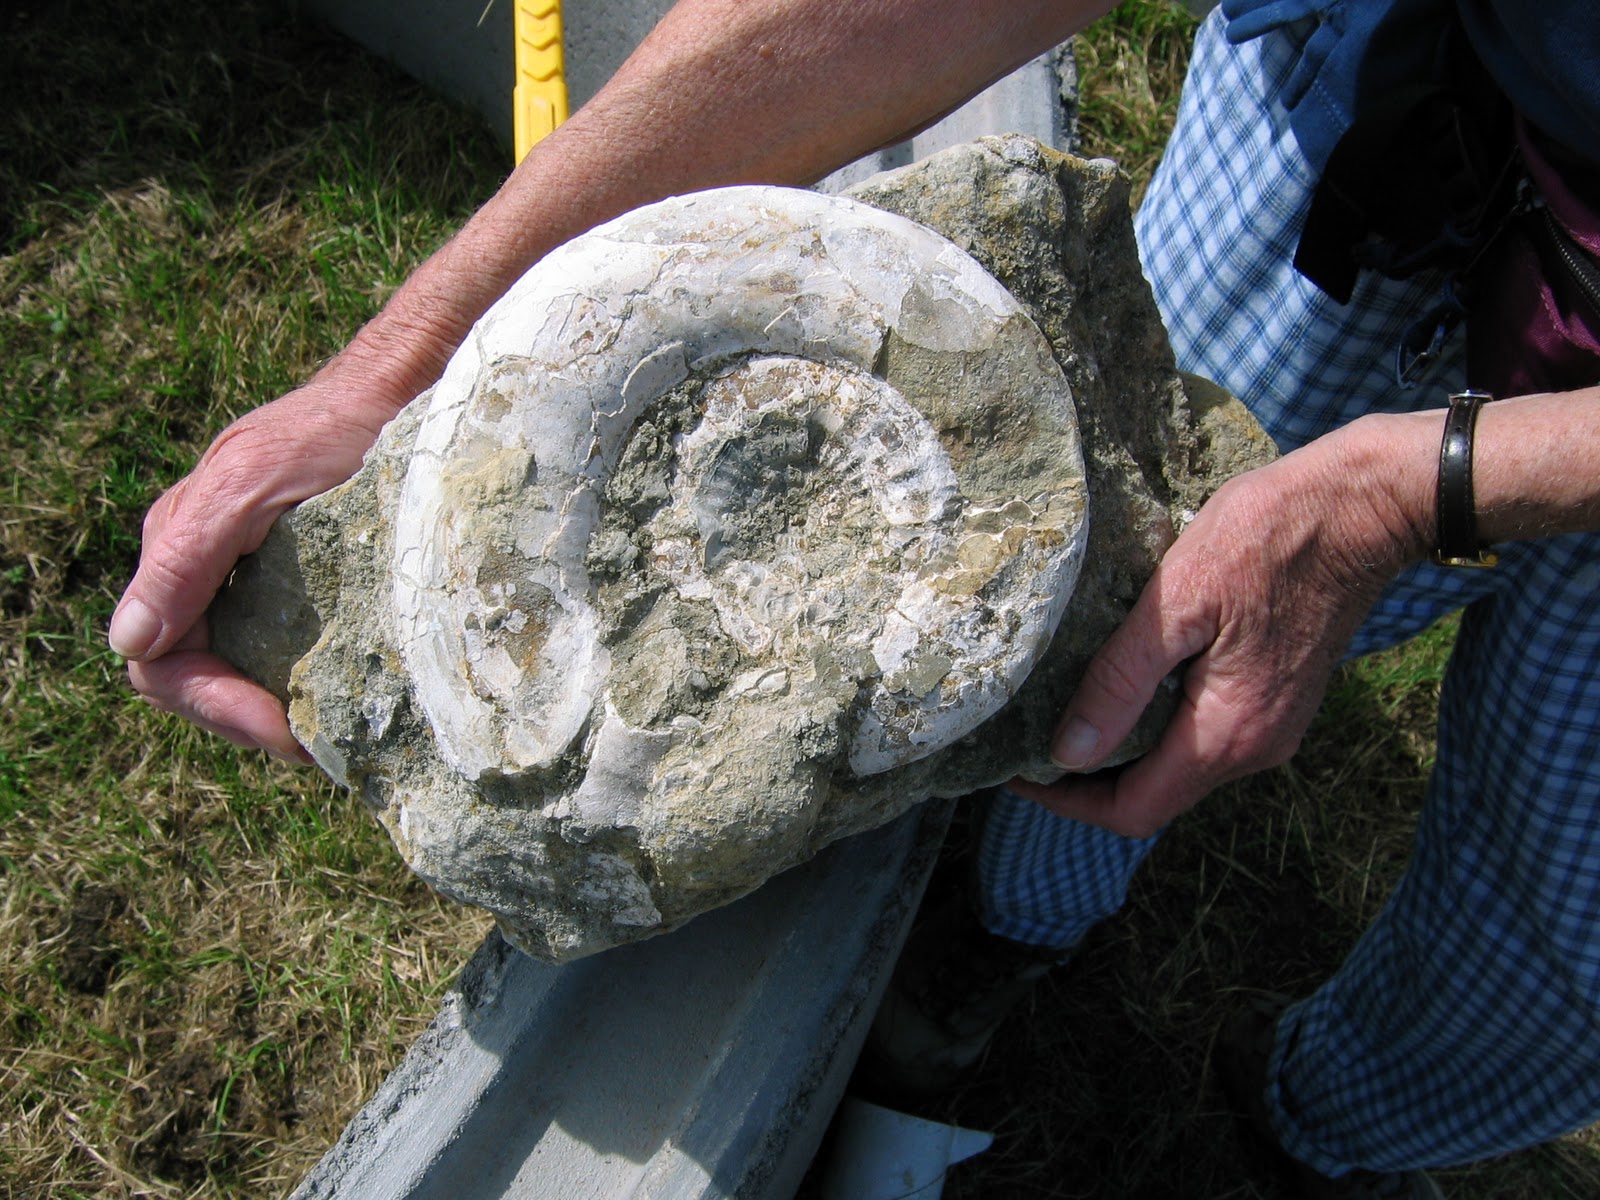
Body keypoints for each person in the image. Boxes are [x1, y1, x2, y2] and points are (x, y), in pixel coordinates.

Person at [111, 1, 1600, 1195]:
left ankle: (1312, 1129)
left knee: (1557, 952)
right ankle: (1004, 933)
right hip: (1411, 87)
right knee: (1133, 692)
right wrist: (407, 360)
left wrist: (1421, 487)